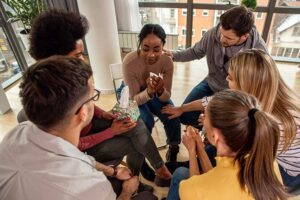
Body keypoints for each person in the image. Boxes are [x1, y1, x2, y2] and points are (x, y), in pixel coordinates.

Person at [19, 9, 172, 186]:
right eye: (77, 56)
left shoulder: (68, 79)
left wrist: (102, 114)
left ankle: (149, 172)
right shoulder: (43, 104)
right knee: (136, 140)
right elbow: (72, 148)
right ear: (56, 58)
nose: (83, 61)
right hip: (82, 150)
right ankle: (135, 178)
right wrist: (111, 131)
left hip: (89, 127)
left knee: (134, 122)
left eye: (83, 54)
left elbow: (88, 105)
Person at [0, 56, 158, 200]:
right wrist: (127, 192)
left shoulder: (17, 133)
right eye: (93, 96)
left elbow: (76, 155)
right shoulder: (90, 186)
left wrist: (114, 172)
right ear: (83, 112)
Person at [163, 49, 300, 193]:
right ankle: (194, 162)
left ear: (246, 84)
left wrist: (195, 147)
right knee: (210, 150)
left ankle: (193, 163)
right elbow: (213, 101)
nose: (226, 80)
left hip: (286, 175)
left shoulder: (276, 125)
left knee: (183, 174)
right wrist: (182, 108)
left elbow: (223, 181)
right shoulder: (261, 98)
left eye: (230, 77)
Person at [164, 5, 268, 128]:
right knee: (186, 116)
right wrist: (174, 55)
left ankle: (210, 136)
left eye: (228, 37)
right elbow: (195, 52)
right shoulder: (213, 33)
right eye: (221, 33)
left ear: (245, 36)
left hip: (236, 94)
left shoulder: (259, 51)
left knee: (222, 126)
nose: (221, 39)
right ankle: (207, 133)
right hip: (212, 82)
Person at [172, 90, 287, 200]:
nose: (203, 118)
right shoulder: (269, 164)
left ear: (215, 136)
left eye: (205, 116)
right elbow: (217, 182)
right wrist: (199, 149)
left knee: (179, 174)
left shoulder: (191, 189)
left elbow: (198, 189)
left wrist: (192, 151)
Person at [122, 24, 181, 164]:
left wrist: (160, 90)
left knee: (171, 114)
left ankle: (173, 147)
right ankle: (141, 158)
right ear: (139, 45)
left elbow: (166, 96)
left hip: (153, 90)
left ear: (163, 46)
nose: (151, 55)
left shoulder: (167, 61)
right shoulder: (130, 62)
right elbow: (134, 99)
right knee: (145, 120)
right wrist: (149, 92)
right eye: (145, 48)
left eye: (157, 49)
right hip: (132, 93)